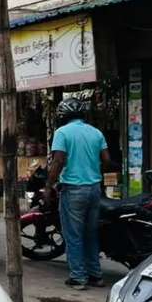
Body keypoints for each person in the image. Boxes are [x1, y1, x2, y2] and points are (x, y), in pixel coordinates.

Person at [44, 98, 111, 290]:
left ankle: (78, 277)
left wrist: (49, 185)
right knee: (91, 234)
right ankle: (96, 275)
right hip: (95, 189)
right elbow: (106, 159)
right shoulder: (96, 132)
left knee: (74, 235)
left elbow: (58, 161)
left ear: (63, 116)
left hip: (73, 189)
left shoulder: (62, 132)